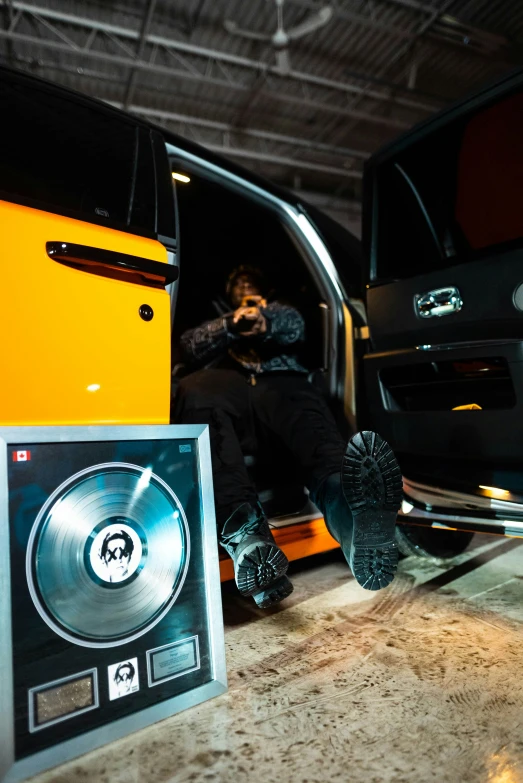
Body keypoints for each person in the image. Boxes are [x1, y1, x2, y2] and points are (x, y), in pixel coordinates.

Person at [174, 265, 403, 608]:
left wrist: (263, 320)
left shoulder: (281, 311)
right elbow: (188, 346)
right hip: (227, 389)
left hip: (278, 387)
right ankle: (248, 539)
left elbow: (294, 327)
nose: (246, 285)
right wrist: (231, 325)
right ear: (227, 293)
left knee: (303, 407)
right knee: (195, 393)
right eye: (239, 283)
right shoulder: (213, 317)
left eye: (252, 281)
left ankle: (352, 517)